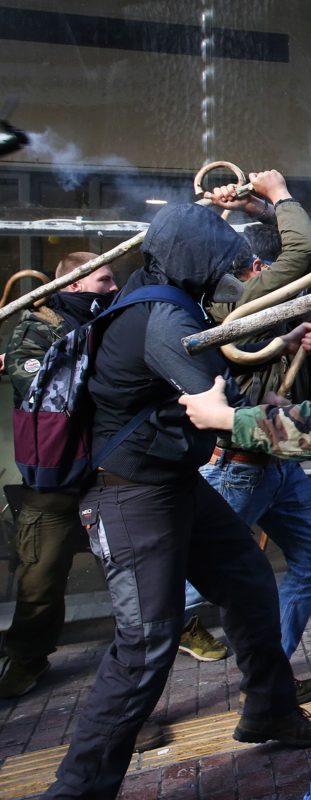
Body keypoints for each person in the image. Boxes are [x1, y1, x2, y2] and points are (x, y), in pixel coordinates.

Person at [43, 203, 311, 800]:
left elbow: (215, 352)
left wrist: (279, 337)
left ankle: (269, 709)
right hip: (132, 498)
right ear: (194, 261)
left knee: (248, 582)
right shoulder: (160, 317)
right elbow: (210, 394)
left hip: (173, 486)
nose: (227, 271)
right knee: (146, 644)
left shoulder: (159, 296)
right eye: (218, 259)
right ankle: (77, 790)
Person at [175, 173, 311, 700]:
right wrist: (277, 195)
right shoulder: (234, 305)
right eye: (251, 265)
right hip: (238, 460)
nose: (257, 270)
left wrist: (284, 345)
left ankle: (268, 677)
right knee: (190, 586)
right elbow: (305, 247)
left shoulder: (248, 307)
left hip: (273, 459)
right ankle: (139, 680)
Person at [0, 253, 118, 699]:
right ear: (73, 284)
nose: (111, 288)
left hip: (108, 468)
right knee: (40, 573)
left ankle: (175, 631)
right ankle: (27, 657)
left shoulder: (112, 320)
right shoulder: (39, 326)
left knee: (142, 563)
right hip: (55, 475)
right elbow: (32, 380)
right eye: (104, 279)